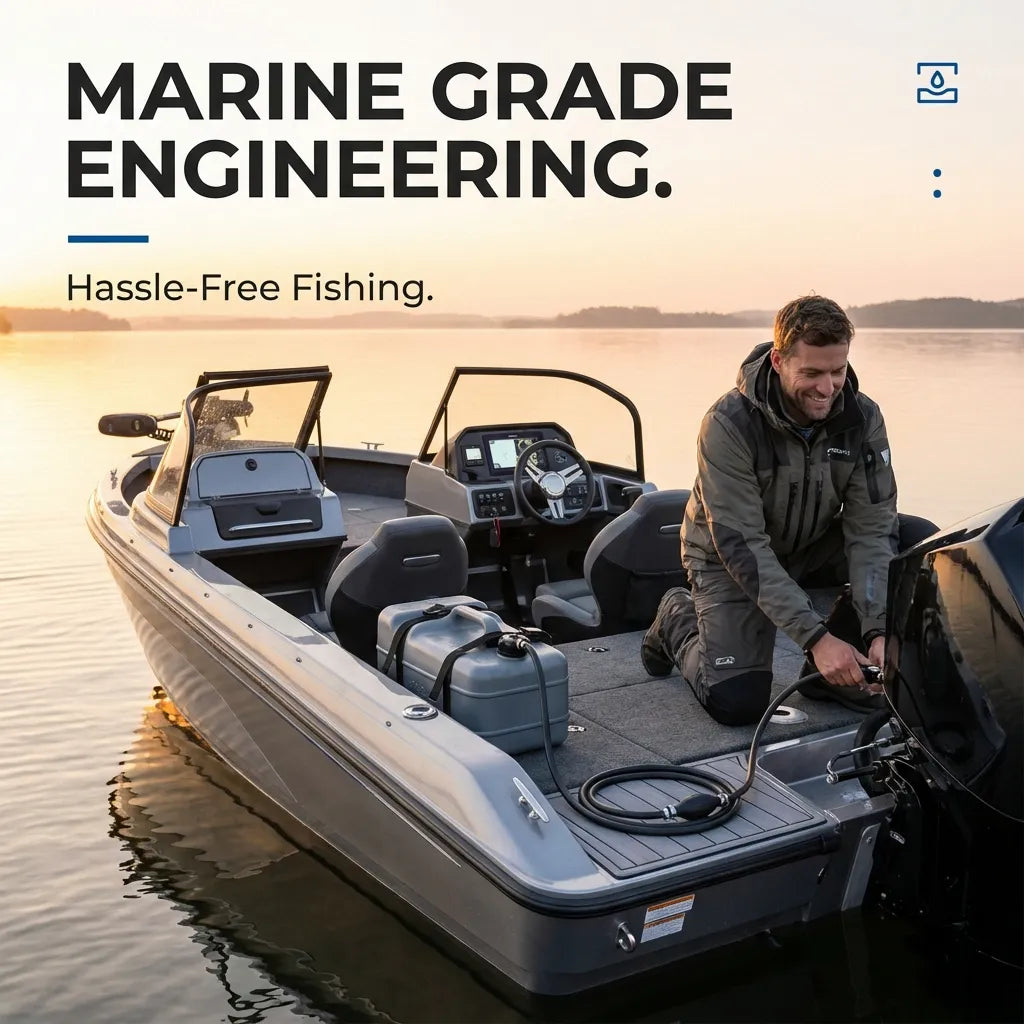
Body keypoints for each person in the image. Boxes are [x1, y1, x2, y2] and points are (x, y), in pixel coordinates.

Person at [641, 294, 937, 725]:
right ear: (779, 361)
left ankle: (831, 674)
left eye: (838, 371)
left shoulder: (862, 417)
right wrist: (815, 637)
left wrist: (877, 627)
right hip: (727, 559)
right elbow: (742, 547)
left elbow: (871, 529)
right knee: (737, 702)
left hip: (813, 544)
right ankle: (676, 620)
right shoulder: (727, 424)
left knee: (916, 540)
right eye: (812, 373)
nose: (827, 388)